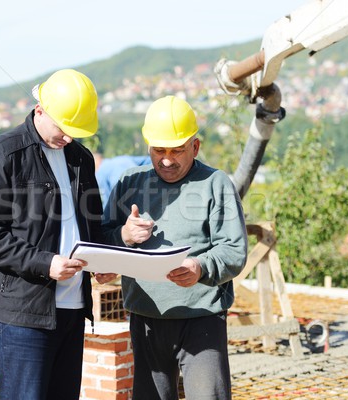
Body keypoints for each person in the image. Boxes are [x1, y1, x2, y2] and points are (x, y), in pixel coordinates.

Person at [0, 69, 104, 400]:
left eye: (75, 131)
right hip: (23, 313)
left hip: (72, 310)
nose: (69, 138)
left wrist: (110, 250)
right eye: (63, 128)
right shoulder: (3, 154)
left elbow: (92, 224)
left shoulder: (80, 159)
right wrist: (44, 263)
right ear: (40, 109)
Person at [98, 96, 248, 399]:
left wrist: (200, 267)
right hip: (145, 318)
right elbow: (102, 240)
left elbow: (233, 250)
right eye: (158, 150)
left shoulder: (215, 184)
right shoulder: (129, 182)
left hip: (201, 318)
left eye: (177, 150)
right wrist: (124, 236)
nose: (166, 160)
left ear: (195, 146)